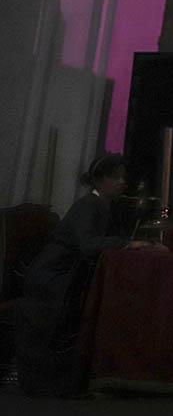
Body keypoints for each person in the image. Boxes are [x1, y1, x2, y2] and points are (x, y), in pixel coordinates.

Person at [16, 154, 159, 395]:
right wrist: (126, 244)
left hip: (72, 273)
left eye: (124, 178)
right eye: (116, 178)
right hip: (55, 275)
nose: (123, 182)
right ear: (100, 180)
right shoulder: (87, 205)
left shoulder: (105, 207)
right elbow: (88, 245)